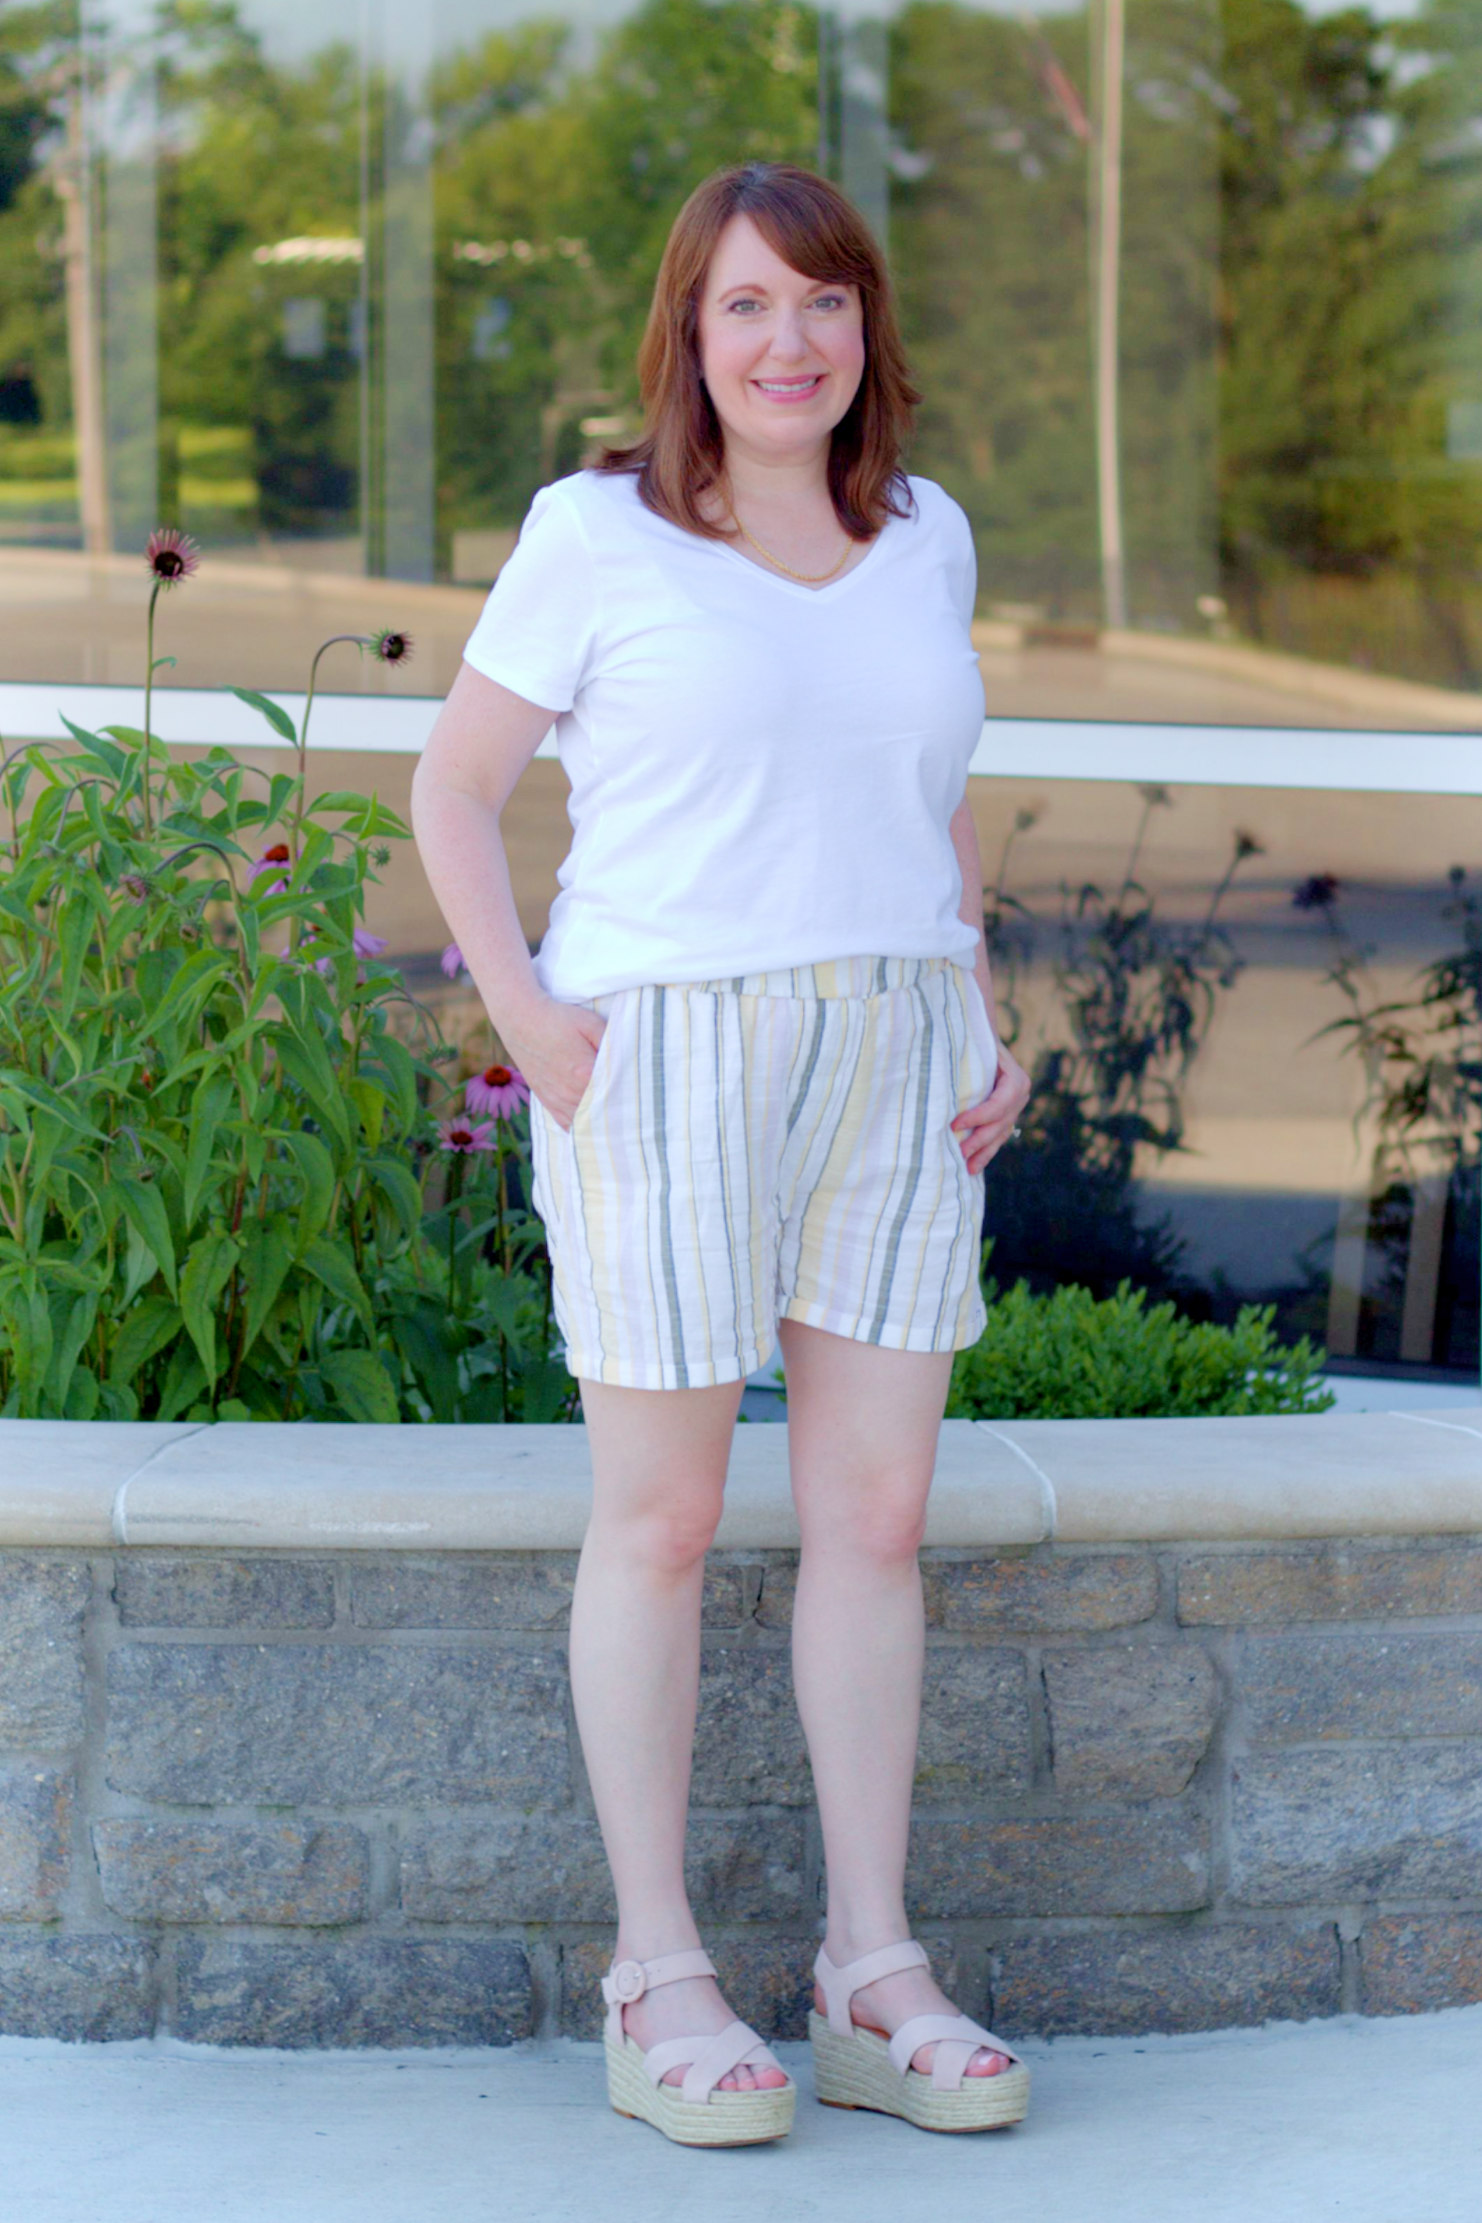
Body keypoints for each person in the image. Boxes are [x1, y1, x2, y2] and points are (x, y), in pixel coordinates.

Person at [411, 159, 1033, 2148]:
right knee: (664, 1518)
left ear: (870, 333)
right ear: (690, 329)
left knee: (874, 1520)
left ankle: (869, 1960)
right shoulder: (598, 533)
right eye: (753, 307)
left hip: (897, 1048)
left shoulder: (922, 535)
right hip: (663, 1049)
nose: (794, 343)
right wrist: (523, 1013)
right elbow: (455, 784)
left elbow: (928, 799)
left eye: (828, 305)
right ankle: (657, 1966)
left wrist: (984, 1001)